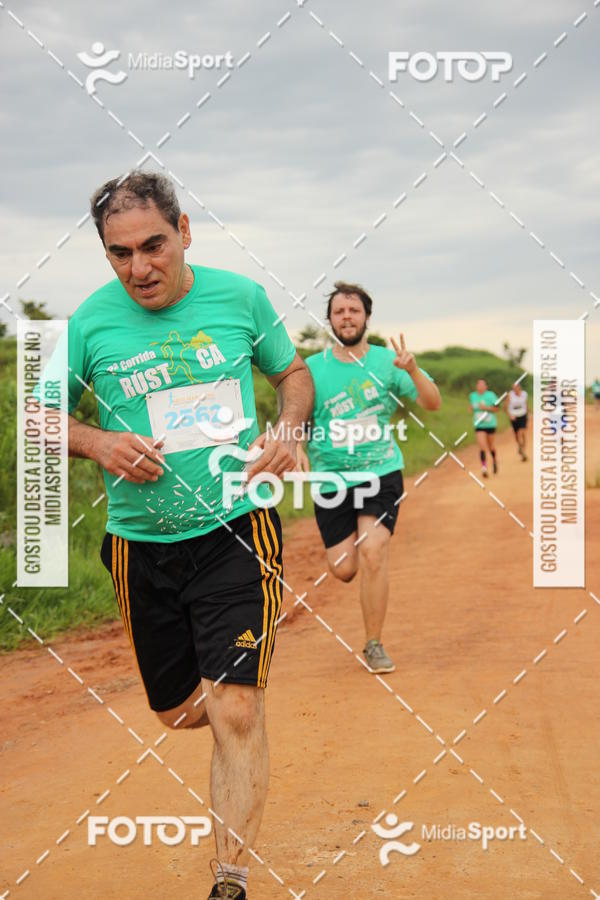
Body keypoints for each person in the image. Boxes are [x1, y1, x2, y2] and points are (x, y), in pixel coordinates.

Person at [55, 172, 314, 900]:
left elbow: (292, 373)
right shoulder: (87, 324)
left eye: (153, 245)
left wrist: (290, 428)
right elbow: (39, 417)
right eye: (119, 253)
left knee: (235, 705)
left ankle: (229, 878)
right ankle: (239, 710)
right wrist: (98, 441)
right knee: (178, 714)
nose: (139, 268)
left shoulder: (240, 297)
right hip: (141, 545)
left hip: (237, 526)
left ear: (185, 231)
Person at [296, 281, 441, 674]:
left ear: (366, 318)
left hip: (380, 473)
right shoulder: (312, 369)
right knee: (344, 569)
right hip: (331, 481)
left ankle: (373, 643)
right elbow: (298, 420)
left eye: (353, 311)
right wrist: (298, 446)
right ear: (329, 320)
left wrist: (412, 370)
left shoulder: (387, 362)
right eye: (339, 311)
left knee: (374, 551)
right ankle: (353, 556)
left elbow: (432, 402)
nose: (346, 317)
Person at [469, 379, 500, 477]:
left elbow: (497, 408)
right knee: (482, 446)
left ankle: (494, 460)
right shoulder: (472, 396)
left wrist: (485, 408)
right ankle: (484, 468)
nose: (480, 386)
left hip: (490, 424)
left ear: (486, 387)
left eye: (482, 385)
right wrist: (471, 408)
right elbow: (470, 407)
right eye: (479, 384)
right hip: (479, 425)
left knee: (490, 446)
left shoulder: (491, 395)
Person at [505, 381, 529, 460]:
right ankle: (521, 448)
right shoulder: (510, 395)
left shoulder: (524, 394)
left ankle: (522, 450)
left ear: (519, 387)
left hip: (523, 415)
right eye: (513, 388)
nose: (514, 389)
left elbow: (525, 404)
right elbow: (505, 407)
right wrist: (510, 416)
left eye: (516, 387)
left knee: (521, 432)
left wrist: (528, 413)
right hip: (514, 416)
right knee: (517, 435)